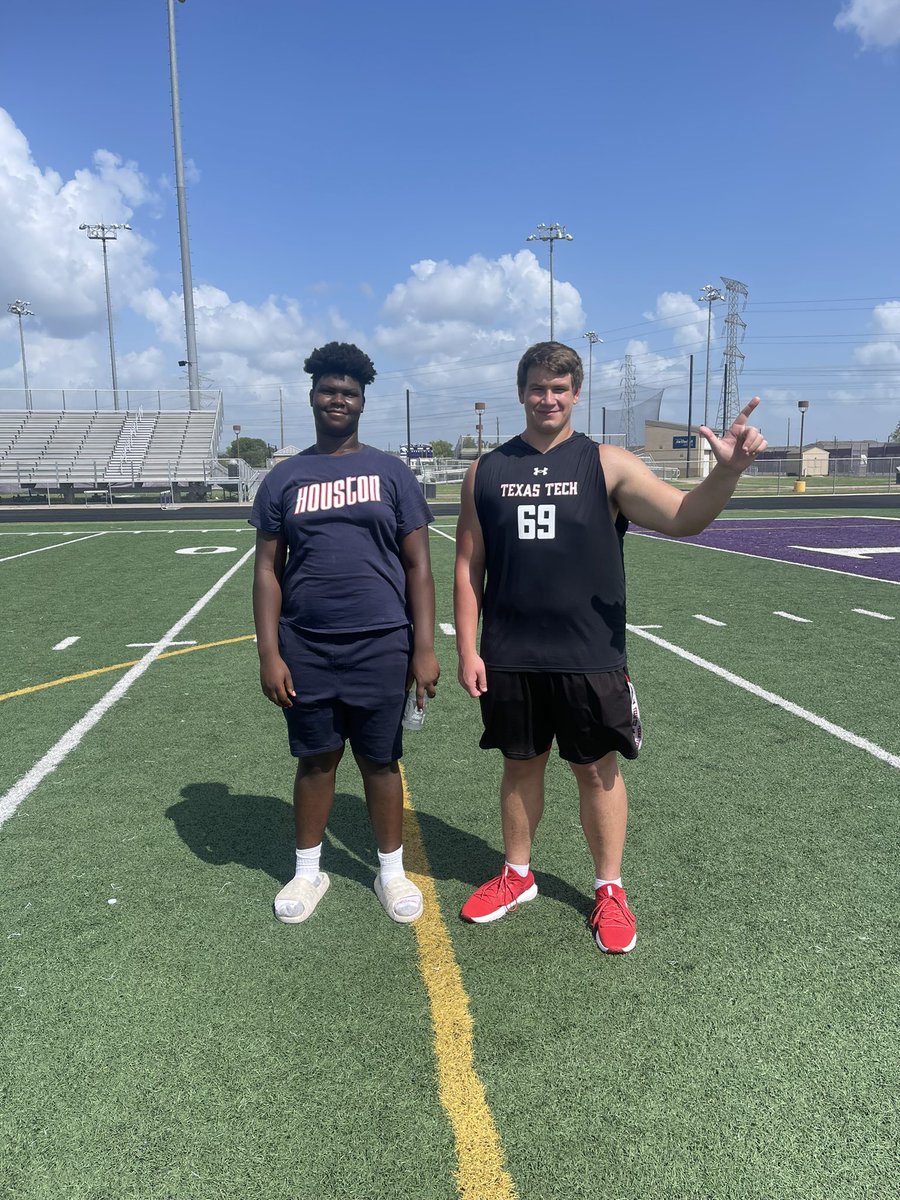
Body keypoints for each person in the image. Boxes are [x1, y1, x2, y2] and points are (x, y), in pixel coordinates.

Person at [454, 341, 766, 953]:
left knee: (597, 772)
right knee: (519, 766)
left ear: (576, 394)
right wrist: (469, 648)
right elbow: (469, 565)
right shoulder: (483, 470)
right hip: (511, 654)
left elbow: (682, 517)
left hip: (589, 654)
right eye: (538, 387)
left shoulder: (607, 463)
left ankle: (609, 888)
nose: (548, 397)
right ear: (522, 393)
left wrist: (726, 471)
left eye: (561, 387)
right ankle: (517, 877)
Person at [250, 342, 440, 925]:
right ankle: (309, 872)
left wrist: (426, 646)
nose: (339, 400)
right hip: (306, 644)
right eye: (330, 390)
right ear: (312, 396)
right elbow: (266, 570)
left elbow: (419, 567)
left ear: (363, 402)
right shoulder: (285, 477)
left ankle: (391, 872)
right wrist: (268, 652)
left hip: (382, 643)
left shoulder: (391, 472)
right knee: (315, 760)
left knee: (380, 762)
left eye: (350, 393)